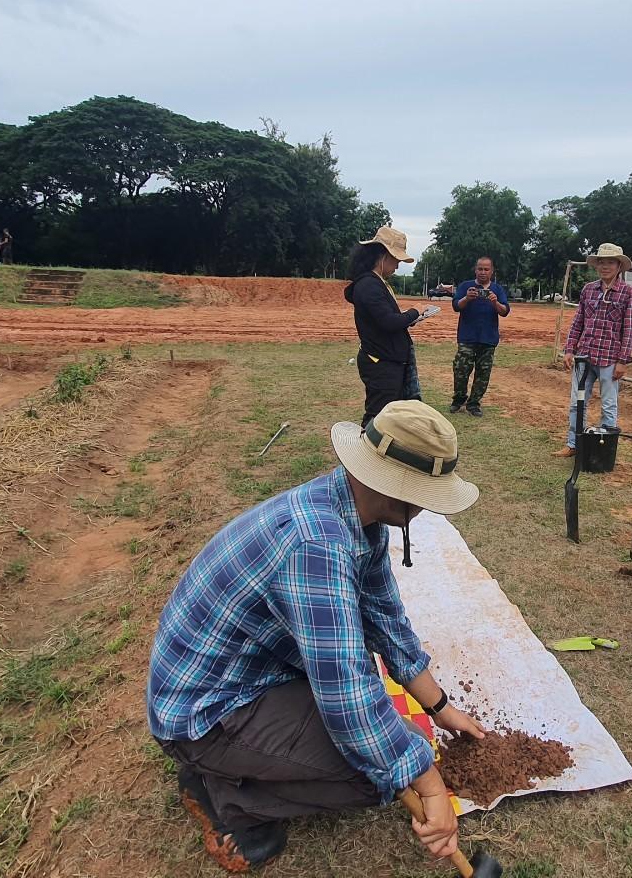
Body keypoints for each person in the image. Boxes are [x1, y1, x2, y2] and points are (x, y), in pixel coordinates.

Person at [147, 400, 485, 872]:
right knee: (381, 773)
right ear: (389, 488)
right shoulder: (317, 547)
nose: (427, 507)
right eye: (424, 494)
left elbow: (384, 617)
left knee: (395, 745)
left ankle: (234, 766)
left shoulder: (354, 514)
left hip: (252, 675)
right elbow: (345, 691)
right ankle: (226, 795)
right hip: (203, 712)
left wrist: (440, 707)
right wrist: (429, 785)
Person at [344, 226, 437, 426]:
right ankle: (360, 455)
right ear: (383, 255)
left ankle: (376, 454)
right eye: (396, 260)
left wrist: (408, 318)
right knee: (377, 417)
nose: (396, 267)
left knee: (388, 416)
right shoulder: (369, 285)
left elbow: (385, 319)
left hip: (387, 360)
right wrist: (415, 311)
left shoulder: (375, 283)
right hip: (381, 363)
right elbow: (388, 322)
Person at [554, 242, 632, 458]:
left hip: (610, 358)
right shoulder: (588, 290)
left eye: (610, 262)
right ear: (596, 266)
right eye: (601, 262)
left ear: (619, 266)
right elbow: (578, 322)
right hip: (584, 355)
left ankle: (603, 451)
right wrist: (570, 349)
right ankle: (573, 444)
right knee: (576, 403)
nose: (605, 267)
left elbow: (629, 329)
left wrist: (623, 360)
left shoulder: (628, 293)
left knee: (608, 405)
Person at [449, 257, 510, 417]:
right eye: (480, 269)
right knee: (460, 370)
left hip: (488, 338)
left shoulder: (497, 289)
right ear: (475, 270)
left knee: (483, 373)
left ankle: (474, 404)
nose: (483, 272)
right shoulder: (465, 286)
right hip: (467, 337)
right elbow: (456, 306)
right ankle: (458, 399)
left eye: (486, 269)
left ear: (492, 271)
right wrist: (467, 298)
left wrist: (495, 302)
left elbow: (504, 311)